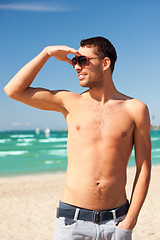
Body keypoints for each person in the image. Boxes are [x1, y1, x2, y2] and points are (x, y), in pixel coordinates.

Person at [4, 37, 151, 240]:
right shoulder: (69, 102)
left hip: (117, 221)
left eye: (82, 60)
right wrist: (46, 53)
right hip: (72, 223)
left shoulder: (135, 109)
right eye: (75, 61)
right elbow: (13, 90)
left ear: (106, 63)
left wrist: (130, 221)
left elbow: (144, 167)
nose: (76, 67)